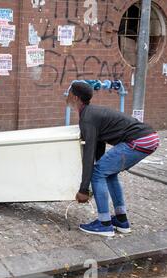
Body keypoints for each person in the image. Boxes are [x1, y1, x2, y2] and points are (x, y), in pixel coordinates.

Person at [66, 82, 160, 237]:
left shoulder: (87, 118)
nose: (67, 96)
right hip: (149, 138)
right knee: (107, 172)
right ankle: (121, 221)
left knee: (97, 173)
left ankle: (104, 224)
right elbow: (99, 145)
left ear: (75, 97)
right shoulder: (92, 112)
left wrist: (84, 189)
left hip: (138, 140)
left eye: (69, 93)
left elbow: (88, 155)